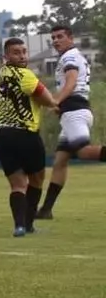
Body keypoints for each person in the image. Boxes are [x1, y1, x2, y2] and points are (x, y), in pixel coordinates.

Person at [0, 37, 59, 237]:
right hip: (25, 134)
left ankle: (19, 226)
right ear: (6, 56)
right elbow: (46, 98)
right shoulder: (26, 75)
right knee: (36, 180)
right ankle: (29, 224)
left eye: (24, 51)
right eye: (16, 52)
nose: (22, 55)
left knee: (17, 184)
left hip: (4, 135)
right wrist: (54, 105)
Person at [35, 24, 106, 219]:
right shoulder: (71, 56)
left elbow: (71, 80)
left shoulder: (69, 57)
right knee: (60, 161)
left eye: (60, 36)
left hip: (74, 110)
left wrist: (56, 100)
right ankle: (46, 209)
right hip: (73, 111)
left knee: (83, 150)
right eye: (53, 38)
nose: (56, 40)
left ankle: (45, 209)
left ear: (70, 38)